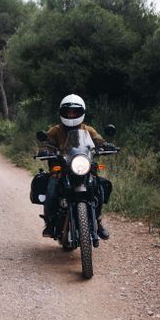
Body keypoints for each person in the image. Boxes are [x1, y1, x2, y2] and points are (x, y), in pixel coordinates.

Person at [39, 94, 113, 239]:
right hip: (61, 168)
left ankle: (98, 222)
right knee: (52, 188)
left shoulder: (88, 130)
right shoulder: (55, 130)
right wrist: (46, 149)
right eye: (68, 112)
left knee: (98, 187)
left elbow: (98, 140)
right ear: (63, 113)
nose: (71, 114)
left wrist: (105, 145)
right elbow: (47, 143)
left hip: (84, 166)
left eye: (74, 112)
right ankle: (50, 222)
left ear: (81, 113)